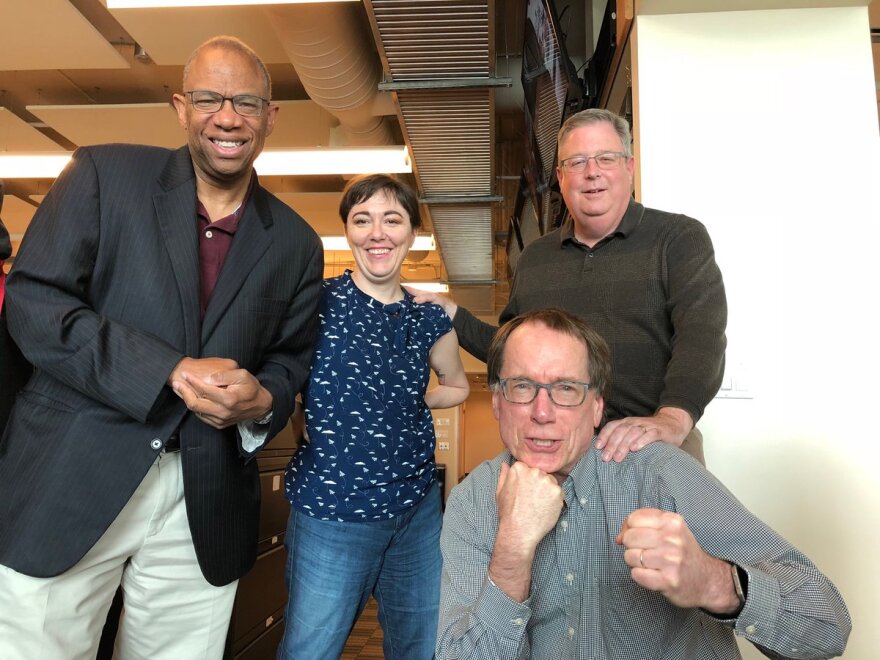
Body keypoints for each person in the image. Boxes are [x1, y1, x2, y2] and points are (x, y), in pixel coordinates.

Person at [0, 36, 323, 659]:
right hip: (73, 473)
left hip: (204, 495)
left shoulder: (297, 242)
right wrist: (167, 370)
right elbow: (36, 304)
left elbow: (289, 360)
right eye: (208, 99)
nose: (227, 118)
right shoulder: (102, 176)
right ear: (180, 107)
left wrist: (262, 401)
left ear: (270, 117)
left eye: (247, 103)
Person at [436, 308, 850, 659]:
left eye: (566, 389)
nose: (542, 412)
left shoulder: (659, 473)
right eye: (522, 386)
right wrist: (512, 548)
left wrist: (713, 582)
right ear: (497, 401)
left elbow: (828, 628)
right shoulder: (473, 501)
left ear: (597, 407)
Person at [412, 108, 726, 464]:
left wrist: (673, 418)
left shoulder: (678, 238)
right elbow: (511, 350)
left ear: (629, 167)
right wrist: (451, 312)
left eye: (606, 158)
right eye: (577, 162)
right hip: (557, 449)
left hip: (650, 444)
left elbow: (702, 334)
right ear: (561, 178)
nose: (592, 172)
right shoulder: (534, 257)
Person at [278, 174, 470, 660]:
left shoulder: (428, 317)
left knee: (421, 649)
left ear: (412, 233)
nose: (377, 233)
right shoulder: (315, 304)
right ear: (347, 230)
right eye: (363, 220)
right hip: (331, 511)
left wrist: (410, 400)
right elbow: (280, 382)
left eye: (392, 220)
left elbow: (458, 385)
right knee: (310, 652)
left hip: (415, 512)